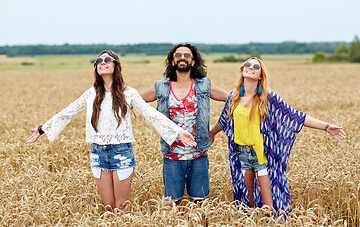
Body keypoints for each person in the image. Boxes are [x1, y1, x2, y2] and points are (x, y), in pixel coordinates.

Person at [26, 50, 197, 212]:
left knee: (122, 207)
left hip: (121, 153)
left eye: (107, 60)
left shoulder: (128, 93)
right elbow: (68, 112)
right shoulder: (91, 94)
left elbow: (151, 114)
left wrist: (178, 132)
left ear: (116, 65)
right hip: (97, 153)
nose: (102, 63)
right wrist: (42, 129)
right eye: (99, 61)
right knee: (109, 208)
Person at [209, 57, 346, 213]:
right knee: (246, 202)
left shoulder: (268, 98)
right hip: (242, 156)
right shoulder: (234, 98)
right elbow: (224, 120)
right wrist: (212, 133)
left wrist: (326, 127)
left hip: (261, 157)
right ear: (242, 69)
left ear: (260, 75)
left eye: (256, 66)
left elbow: (295, 116)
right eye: (247, 64)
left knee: (269, 207)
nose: (250, 67)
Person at [140, 43, 228, 204]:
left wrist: (215, 130)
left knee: (200, 203)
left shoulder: (204, 85)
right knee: (173, 204)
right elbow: (135, 101)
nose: (182, 58)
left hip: (198, 154)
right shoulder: (161, 87)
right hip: (172, 154)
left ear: (193, 62)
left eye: (187, 55)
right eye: (178, 55)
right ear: (172, 61)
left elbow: (231, 100)